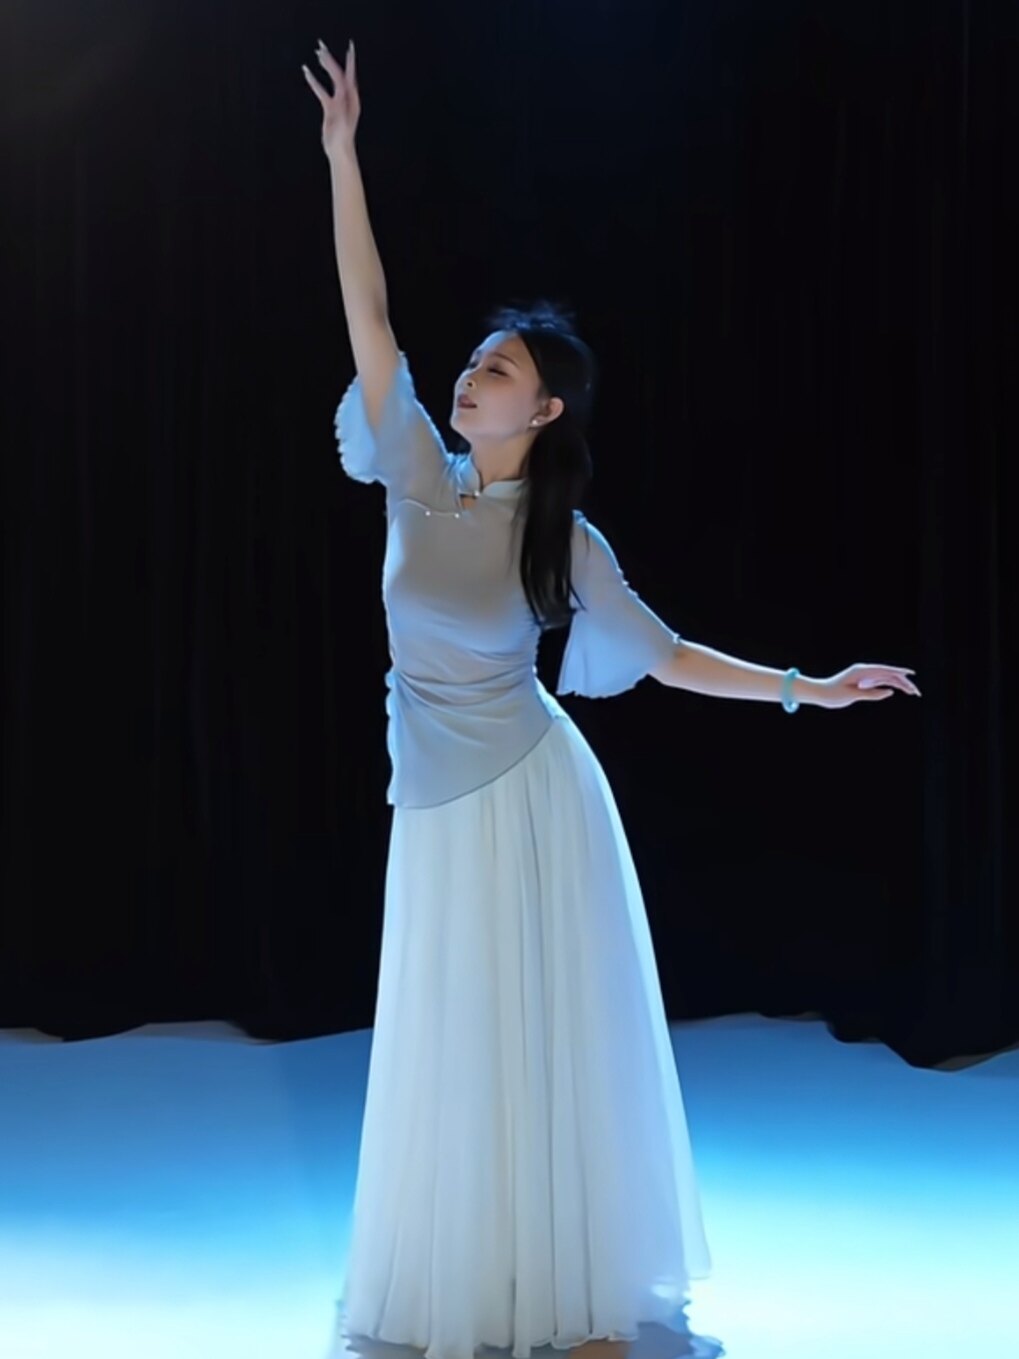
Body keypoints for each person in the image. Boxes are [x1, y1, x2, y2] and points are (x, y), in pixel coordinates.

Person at [302, 38, 920, 1359]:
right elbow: (372, 314)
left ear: (544, 410)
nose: (471, 376)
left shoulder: (562, 538)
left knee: (539, 1046)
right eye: (475, 362)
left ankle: (580, 1298)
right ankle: (482, 1277)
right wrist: (344, 157)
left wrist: (810, 689)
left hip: (531, 800)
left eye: (499, 371)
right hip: (434, 802)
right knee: (453, 1047)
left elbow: (672, 654)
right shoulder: (413, 466)